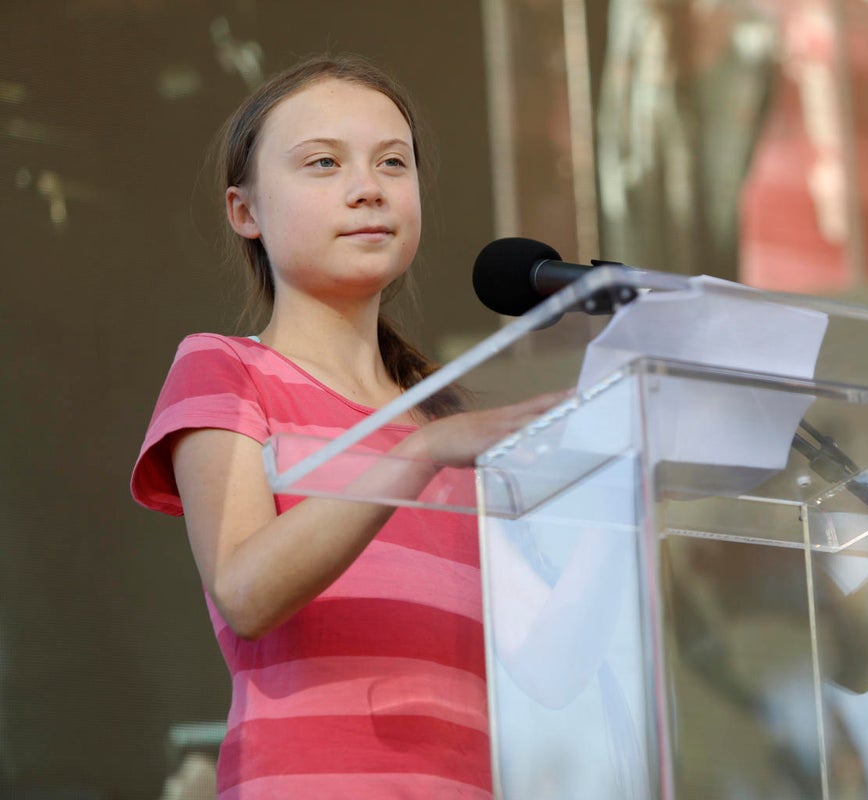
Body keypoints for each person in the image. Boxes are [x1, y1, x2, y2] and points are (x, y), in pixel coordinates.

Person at [131, 54, 561, 799]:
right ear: (246, 212)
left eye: (393, 163)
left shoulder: (447, 416)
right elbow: (245, 589)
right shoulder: (226, 368)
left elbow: (544, 656)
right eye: (324, 163)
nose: (369, 188)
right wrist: (420, 454)